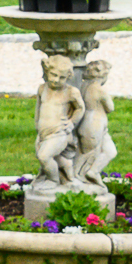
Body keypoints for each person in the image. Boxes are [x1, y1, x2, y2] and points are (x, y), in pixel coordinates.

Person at [34, 53, 85, 188]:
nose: (56, 80)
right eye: (53, 75)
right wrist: (37, 127)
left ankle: (53, 180)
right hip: (43, 132)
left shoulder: (70, 91)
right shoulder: (42, 89)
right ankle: (66, 165)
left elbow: (80, 108)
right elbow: (38, 110)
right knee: (46, 155)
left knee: (44, 156)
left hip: (59, 132)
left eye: (62, 77)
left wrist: (71, 123)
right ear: (47, 72)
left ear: (68, 77)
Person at [74, 59, 117, 187]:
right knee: (87, 154)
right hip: (93, 126)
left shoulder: (82, 87)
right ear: (103, 75)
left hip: (94, 126)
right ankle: (77, 178)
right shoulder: (99, 90)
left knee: (110, 151)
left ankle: (93, 172)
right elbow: (110, 108)